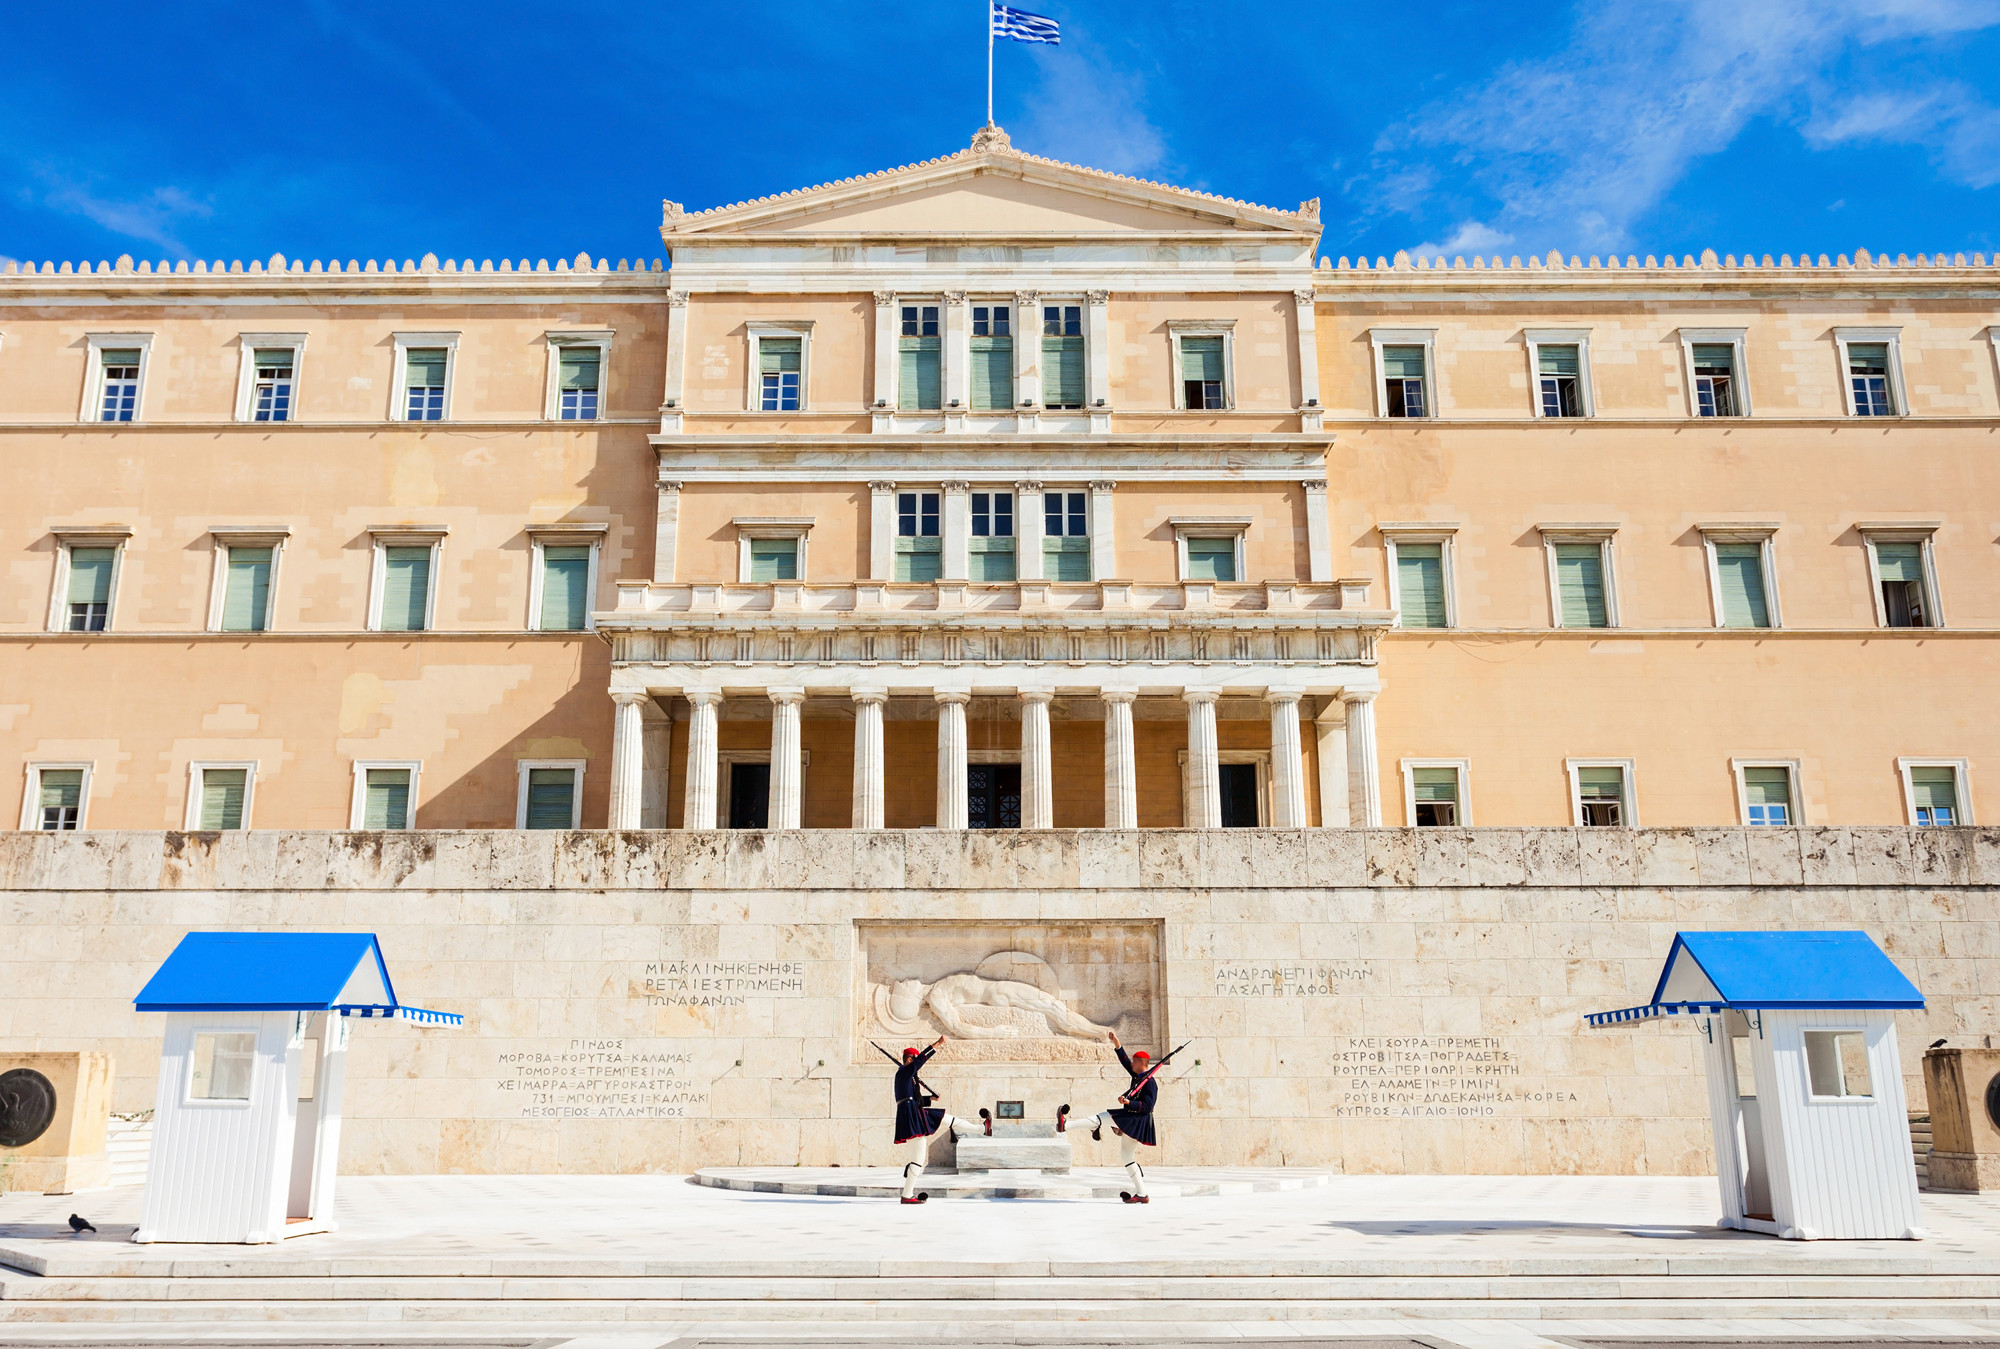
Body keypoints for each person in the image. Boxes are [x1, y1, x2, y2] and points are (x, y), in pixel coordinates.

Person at [1080, 1029, 1157, 1204]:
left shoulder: (1150, 1083)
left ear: (1141, 1063)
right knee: (1126, 1156)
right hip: (1131, 1119)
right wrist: (1116, 1041)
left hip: (1137, 1121)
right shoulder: (1138, 1077)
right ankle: (1142, 1194)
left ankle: (1065, 1125)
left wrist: (1129, 1102)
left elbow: (1148, 1106)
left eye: (1134, 1062)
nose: (1131, 1064)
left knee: (1103, 1118)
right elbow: (1124, 1060)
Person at [892, 1034, 961, 1204]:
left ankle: (982, 1128)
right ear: (909, 1059)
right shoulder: (904, 1072)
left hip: (914, 1112)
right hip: (911, 1116)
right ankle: (907, 1195)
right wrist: (937, 1043)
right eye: (914, 1060)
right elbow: (921, 1060)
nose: (916, 1064)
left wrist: (930, 1099)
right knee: (918, 1160)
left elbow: (914, 1099)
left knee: (943, 1118)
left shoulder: (907, 1076)